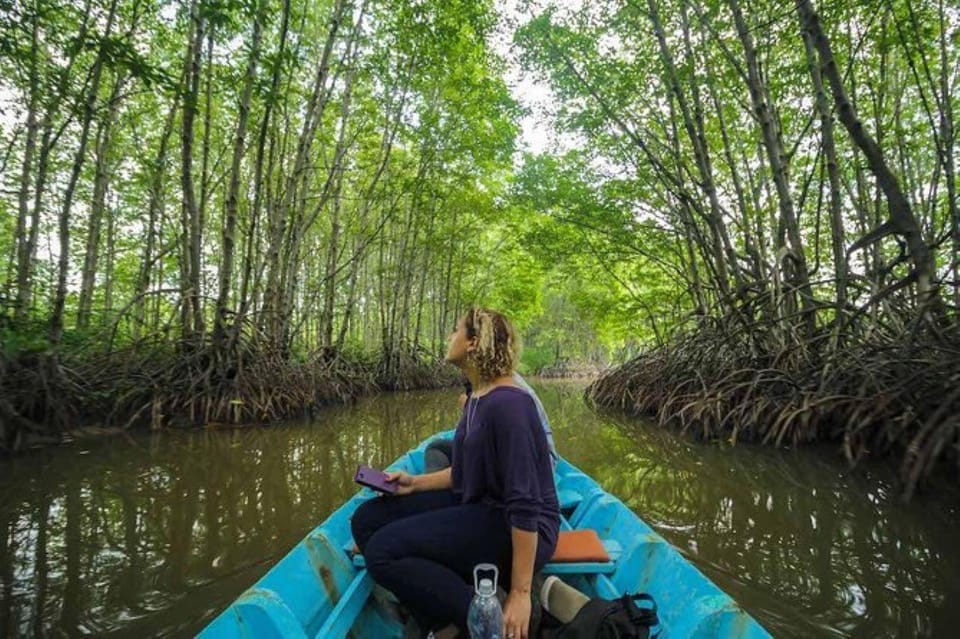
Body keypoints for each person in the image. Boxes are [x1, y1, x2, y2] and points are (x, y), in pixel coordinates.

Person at [351, 307, 560, 639]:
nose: (449, 337)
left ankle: (486, 619)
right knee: (365, 521)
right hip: (482, 505)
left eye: (455, 331)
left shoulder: (511, 405)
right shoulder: (477, 397)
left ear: (474, 343)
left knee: (382, 552)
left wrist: (521, 594)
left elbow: (525, 503)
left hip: (516, 524)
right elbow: (463, 474)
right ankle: (440, 614)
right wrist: (413, 484)